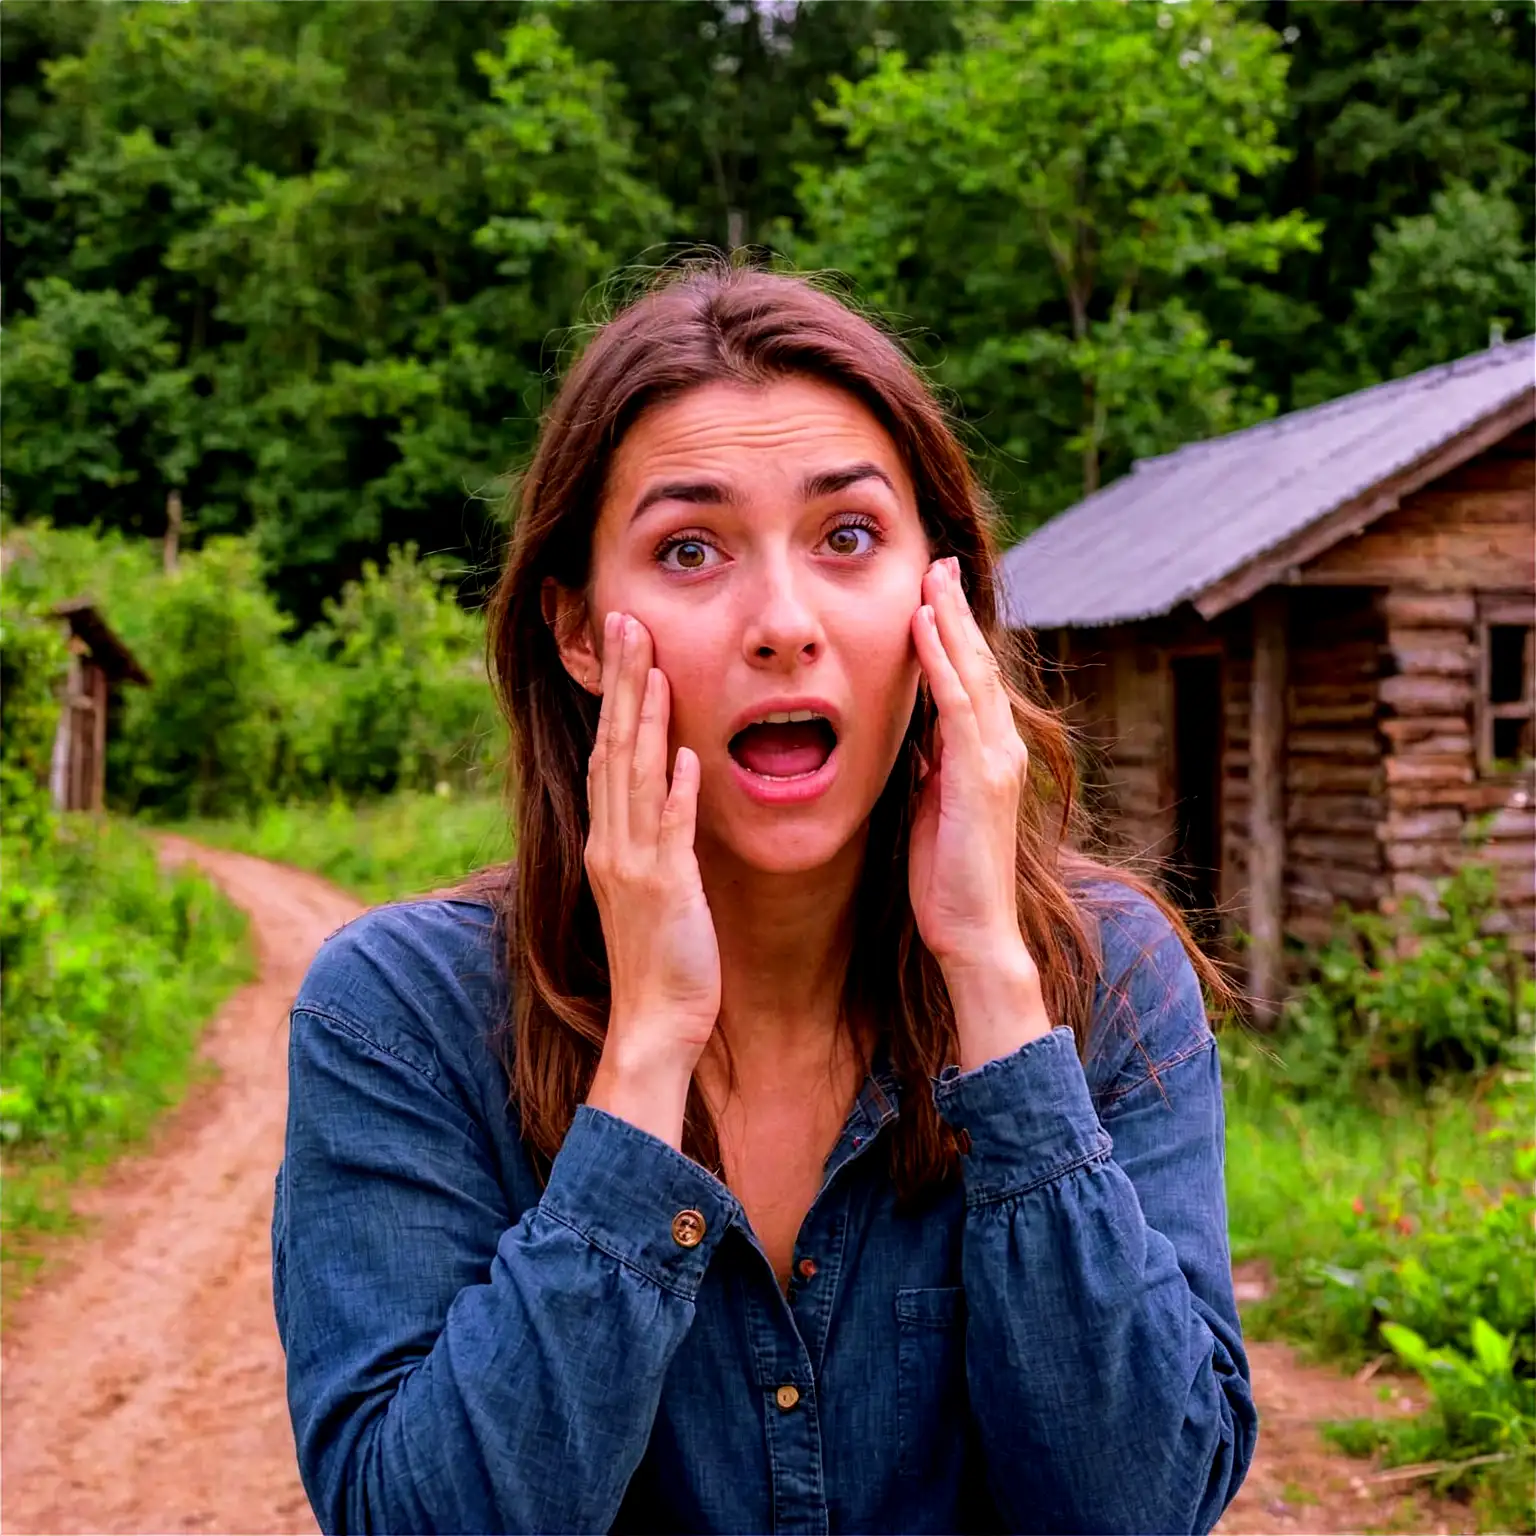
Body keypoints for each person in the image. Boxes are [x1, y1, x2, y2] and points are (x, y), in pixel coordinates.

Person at [273, 264, 1258, 1536]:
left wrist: (992, 986)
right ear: (578, 631)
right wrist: (646, 1055)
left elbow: (1142, 1506)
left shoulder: (1103, 977)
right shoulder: (398, 1015)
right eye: (690, 550)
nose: (783, 622)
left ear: (937, 602)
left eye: (848, 538)